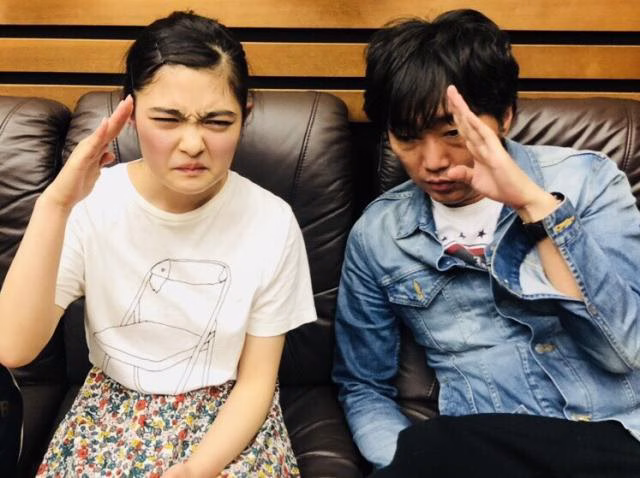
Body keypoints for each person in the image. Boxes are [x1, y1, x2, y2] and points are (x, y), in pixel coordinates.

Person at [0, 11, 316, 477]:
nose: (193, 143)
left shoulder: (272, 221)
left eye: (217, 121)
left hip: (228, 418)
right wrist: (55, 205)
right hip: (112, 409)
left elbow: (256, 383)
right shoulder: (92, 204)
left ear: (244, 117)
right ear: (128, 114)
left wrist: (194, 470)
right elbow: (13, 348)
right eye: (167, 119)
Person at [332, 8, 640, 477]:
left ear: (505, 117)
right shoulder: (380, 236)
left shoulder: (588, 182)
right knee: (433, 443)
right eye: (407, 137)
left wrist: (535, 208)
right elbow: (363, 386)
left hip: (617, 438)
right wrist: (404, 462)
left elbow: (624, 351)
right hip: (484, 457)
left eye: (453, 132)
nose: (432, 161)